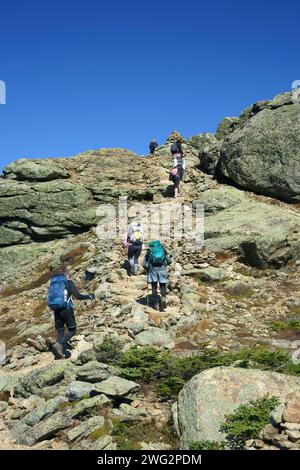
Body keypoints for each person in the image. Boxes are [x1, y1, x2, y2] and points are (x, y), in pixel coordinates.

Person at [48, 266, 95, 358]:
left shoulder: (53, 284)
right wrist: (89, 296)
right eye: (69, 275)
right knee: (72, 330)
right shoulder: (68, 282)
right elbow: (77, 296)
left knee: (60, 331)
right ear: (66, 275)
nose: (70, 277)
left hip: (56, 310)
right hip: (66, 309)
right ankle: (59, 345)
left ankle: (59, 351)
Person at [142, 240, 172, 311]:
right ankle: (163, 298)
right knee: (162, 285)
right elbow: (170, 261)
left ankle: (156, 304)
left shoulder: (149, 253)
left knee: (154, 286)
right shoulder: (163, 252)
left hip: (153, 271)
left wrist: (147, 269)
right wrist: (165, 265)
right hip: (163, 270)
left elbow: (144, 264)